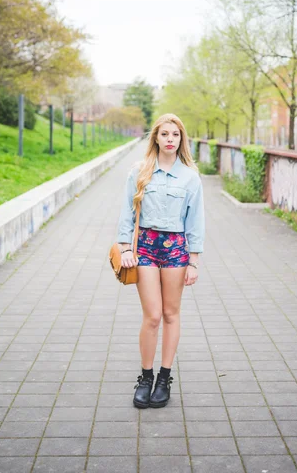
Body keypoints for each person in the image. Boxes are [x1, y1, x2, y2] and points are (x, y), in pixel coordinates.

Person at [117, 113, 205, 409]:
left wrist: (194, 261)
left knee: (171, 314)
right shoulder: (139, 171)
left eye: (175, 135)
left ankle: (164, 378)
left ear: (182, 140)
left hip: (176, 248)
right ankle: (145, 377)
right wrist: (125, 247)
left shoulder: (191, 177)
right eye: (165, 134)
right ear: (155, 137)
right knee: (152, 315)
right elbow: (127, 213)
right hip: (145, 247)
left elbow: (195, 221)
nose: (170, 139)